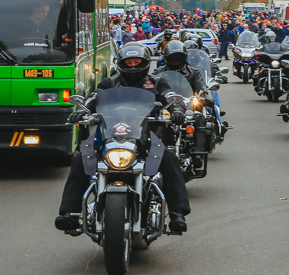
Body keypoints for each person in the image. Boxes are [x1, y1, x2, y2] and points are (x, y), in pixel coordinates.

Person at [55, 43, 191, 234]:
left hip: (146, 135)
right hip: (109, 134)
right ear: (121, 63)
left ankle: (177, 213)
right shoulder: (109, 83)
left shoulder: (157, 82)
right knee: (81, 158)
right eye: (129, 62)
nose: (133, 66)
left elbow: (171, 97)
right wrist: (81, 110)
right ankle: (70, 213)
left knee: (169, 159)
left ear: (145, 63)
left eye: (137, 62)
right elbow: (93, 98)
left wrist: (177, 110)